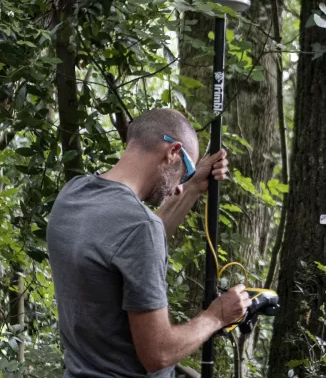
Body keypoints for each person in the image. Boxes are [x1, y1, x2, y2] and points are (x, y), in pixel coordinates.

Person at [47, 108, 250, 377]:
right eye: (184, 173)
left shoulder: (74, 192)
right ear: (173, 152)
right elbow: (159, 353)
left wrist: (192, 187)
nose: (178, 187)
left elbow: (126, 246)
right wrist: (217, 316)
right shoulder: (140, 228)